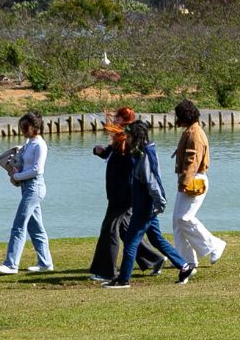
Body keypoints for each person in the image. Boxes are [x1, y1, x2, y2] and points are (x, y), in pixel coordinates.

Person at [103, 121, 195, 288]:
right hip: (147, 205)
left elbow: (151, 182)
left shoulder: (144, 154)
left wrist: (159, 203)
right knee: (156, 239)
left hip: (145, 206)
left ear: (136, 137)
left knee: (131, 242)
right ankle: (184, 266)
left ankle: (123, 280)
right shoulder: (142, 152)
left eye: (129, 136)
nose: (127, 139)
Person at [88, 107, 165, 282]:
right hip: (117, 192)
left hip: (122, 194)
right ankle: (153, 259)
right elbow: (113, 155)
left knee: (109, 229)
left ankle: (105, 271)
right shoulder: (121, 138)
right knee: (124, 229)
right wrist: (101, 152)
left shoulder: (128, 139)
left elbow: (131, 165)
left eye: (118, 118)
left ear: (125, 119)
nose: (114, 120)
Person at [0, 112, 54, 274]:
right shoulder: (29, 144)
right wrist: (15, 169)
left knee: (19, 225)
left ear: (34, 127)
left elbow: (37, 170)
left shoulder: (39, 145)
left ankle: (11, 264)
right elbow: (27, 166)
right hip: (27, 187)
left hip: (35, 188)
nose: (22, 130)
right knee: (36, 227)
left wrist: (16, 176)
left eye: (24, 127)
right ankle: (45, 263)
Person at [173, 99, 226, 270]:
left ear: (185, 116)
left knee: (184, 218)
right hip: (189, 179)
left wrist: (184, 181)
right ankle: (186, 260)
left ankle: (214, 245)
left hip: (194, 180)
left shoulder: (194, 134)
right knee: (177, 222)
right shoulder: (191, 130)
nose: (176, 119)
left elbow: (192, 161)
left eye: (178, 116)